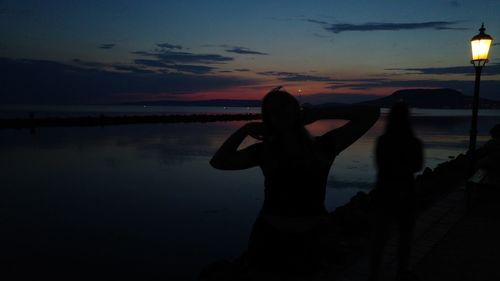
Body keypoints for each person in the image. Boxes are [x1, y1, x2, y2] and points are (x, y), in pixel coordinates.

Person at [210, 86, 380, 272]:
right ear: (269, 119)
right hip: (270, 240)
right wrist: (244, 130)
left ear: (295, 112)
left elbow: (371, 113)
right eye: (273, 111)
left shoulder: (323, 146)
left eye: (284, 107)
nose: (280, 114)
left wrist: (320, 113)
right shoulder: (265, 151)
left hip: (312, 239)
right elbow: (219, 162)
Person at [369, 102, 423, 281]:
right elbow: (418, 166)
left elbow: (379, 165)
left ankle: (373, 273)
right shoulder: (414, 142)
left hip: (384, 192)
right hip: (406, 192)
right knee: (405, 236)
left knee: (380, 237)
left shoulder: (382, 141)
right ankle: (401, 271)